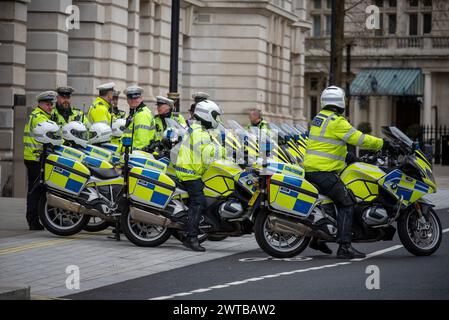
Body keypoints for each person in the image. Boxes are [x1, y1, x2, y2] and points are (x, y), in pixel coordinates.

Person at [303, 86, 390, 259]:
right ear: (340, 102)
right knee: (347, 202)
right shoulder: (337, 121)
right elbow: (359, 138)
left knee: (331, 202)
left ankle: (318, 239)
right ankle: (344, 247)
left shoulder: (319, 119)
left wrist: (349, 157)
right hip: (323, 171)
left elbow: (328, 145)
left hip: (313, 170)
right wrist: (383, 144)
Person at [175, 100, 225, 252]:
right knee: (199, 202)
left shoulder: (199, 129)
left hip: (193, 170)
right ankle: (191, 237)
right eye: (215, 116)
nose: (217, 120)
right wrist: (226, 153)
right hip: (189, 173)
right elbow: (207, 153)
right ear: (206, 115)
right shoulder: (199, 132)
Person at [23, 91, 58, 230]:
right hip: (35, 158)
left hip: (37, 157)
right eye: (47, 104)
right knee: (35, 190)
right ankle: (33, 221)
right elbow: (50, 136)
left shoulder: (43, 115)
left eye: (52, 104)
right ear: (40, 104)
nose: (50, 107)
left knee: (39, 189)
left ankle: (39, 219)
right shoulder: (39, 118)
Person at [121, 85, 156, 151]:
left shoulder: (142, 114)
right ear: (127, 100)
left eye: (136, 98)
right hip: (128, 153)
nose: (133, 100)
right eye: (130, 98)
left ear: (141, 98)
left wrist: (132, 154)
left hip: (135, 155)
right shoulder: (135, 113)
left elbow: (141, 141)